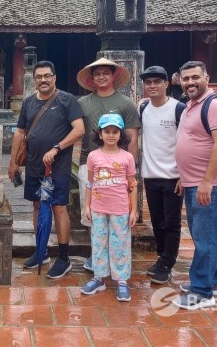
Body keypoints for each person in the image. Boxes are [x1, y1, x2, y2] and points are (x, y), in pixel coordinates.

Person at [8, 60, 84, 279]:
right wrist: (13, 162)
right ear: (34, 80)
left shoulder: (67, 100)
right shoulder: (29, 102)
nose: (43, 80)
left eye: (47, 76)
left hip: (57, 166)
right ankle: (41, 251)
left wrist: (57, 147)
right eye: (39, 77)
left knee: (58, 207)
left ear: (54, 78)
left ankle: (63, 257)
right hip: (34, 164)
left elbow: (79, 130)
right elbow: (20, 132)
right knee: (37, 206)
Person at [173, 60, 217, 310]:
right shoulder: (191, 105)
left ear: (206, 78)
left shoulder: (215, 105)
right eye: (186, 78)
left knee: (205, 236)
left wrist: (207, 181)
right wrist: (183, 176)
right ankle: (213, 280)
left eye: (195, 77)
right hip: (193, 181)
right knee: (204, 232)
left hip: (210, 183)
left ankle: (202, 291)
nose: (190, 83)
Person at [76, 57, 140, 272]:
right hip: (89, 162)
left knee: (119, 214)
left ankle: (118, 258)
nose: (101, 77)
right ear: (91, 78)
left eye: (105, 73)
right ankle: (97, 256)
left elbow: (132, 137)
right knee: (93, 212)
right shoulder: (83, 103)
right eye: (97, 73)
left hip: (119, 168)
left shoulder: (125, 103)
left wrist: (131, 170)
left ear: (113, 76)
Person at [80, 114, 138, 301]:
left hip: (120, 208)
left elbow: (132, 184)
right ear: (100, 134)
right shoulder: (93, 156)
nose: (111, 135)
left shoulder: (127, 157)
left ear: (121, 134)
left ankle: (122, 280)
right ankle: (99, 277)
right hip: (98, 208)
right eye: (107, 131)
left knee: (120, 243)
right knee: (98, 242)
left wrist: (134, 210)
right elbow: (90, 183)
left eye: (115, 131)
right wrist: (87, 206)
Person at [139, 65, 186, 285]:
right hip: (150, 175)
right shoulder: (143, 108)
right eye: (148, 82)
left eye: (157, 81)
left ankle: (167, 262)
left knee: (171, 222)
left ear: (166, 84)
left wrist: (184, 175)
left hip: (173, 177)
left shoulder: (178, 109)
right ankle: (161, 257)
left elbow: (187, 144)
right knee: (156, 220)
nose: (152, 86)